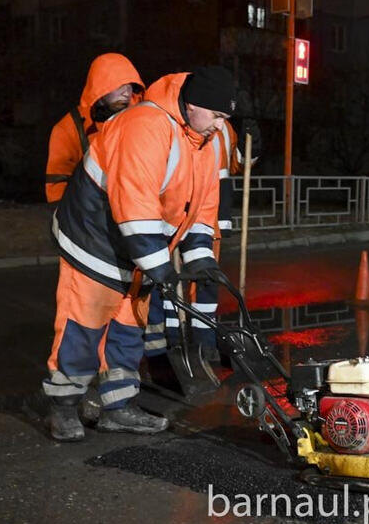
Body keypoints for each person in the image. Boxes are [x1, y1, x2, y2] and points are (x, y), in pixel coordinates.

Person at [44, 66, 235, 441]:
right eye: (216, 115)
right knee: (83, 326)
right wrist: (159, 266)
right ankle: (63, 407)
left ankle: (118, 406)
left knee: (129, 328)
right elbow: (135, 203)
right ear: (193, 105)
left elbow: (202, 206)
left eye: (225, 118)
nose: (220, 126)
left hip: (137, 247)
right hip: (95, 239)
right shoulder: (144, 125)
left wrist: (200, 258)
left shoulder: (205, 140)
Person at [142, 117, 261, 369]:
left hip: (208, 216)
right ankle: (174, 340)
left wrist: (252, 146)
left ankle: (205, 342)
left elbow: (238, 165)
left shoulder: (224, 128)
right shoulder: (176, 123)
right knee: (168, 280)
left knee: (207, 279)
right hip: (172, 213)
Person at [44, 53, 144, 203]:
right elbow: (57, 187)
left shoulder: (145, 116)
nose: (126, 92)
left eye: (130, 85)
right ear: (100, 87)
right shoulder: (69, 129)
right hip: (91, 209)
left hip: (139, 203)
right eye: (119, 85)